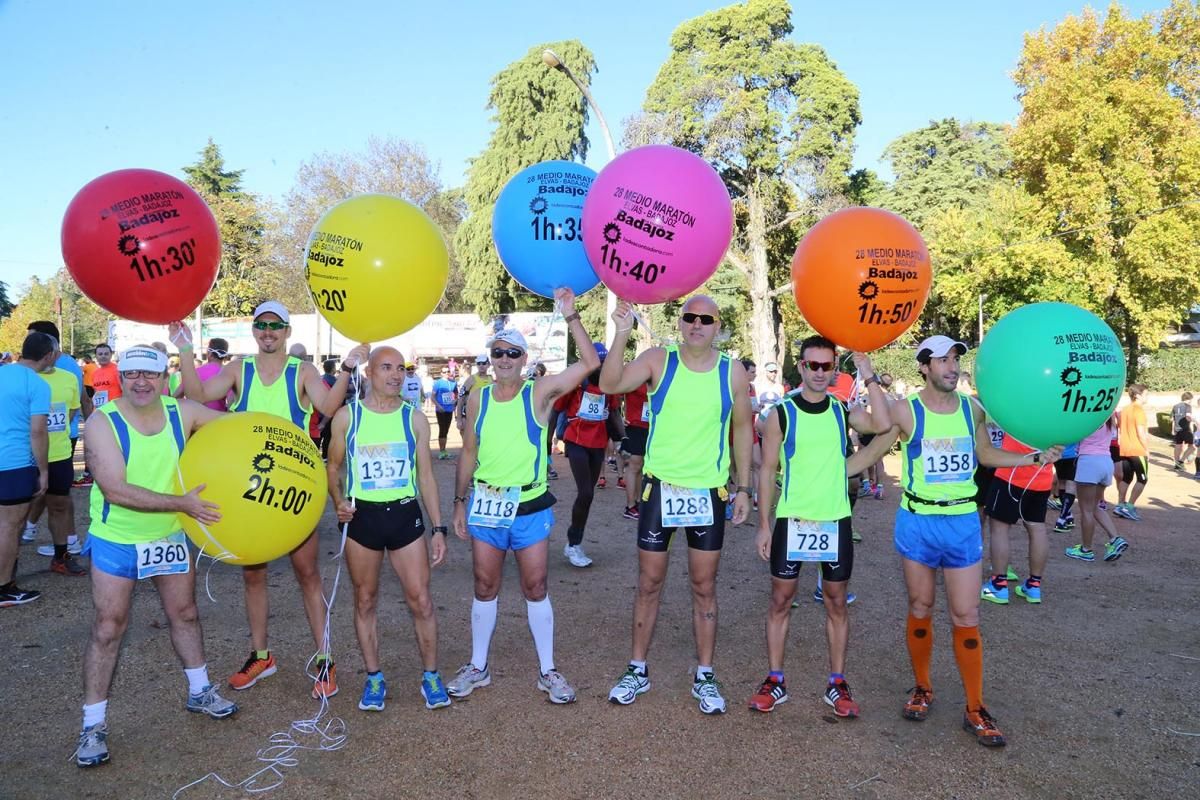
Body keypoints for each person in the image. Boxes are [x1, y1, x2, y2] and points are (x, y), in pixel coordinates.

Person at [173, 302, 369, 699]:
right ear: (254, 330)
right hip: (246, 490)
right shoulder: (238, 369)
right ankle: (261, 655)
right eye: (261, 325)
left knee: (308, 575)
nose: (268, 332)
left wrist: (347, 368)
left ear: (286, 331)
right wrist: (184, 349)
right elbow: (196, 394)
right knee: (253, 575)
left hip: (291, 489)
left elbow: (327, 408)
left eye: (275, 326)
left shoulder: (302, 371)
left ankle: (325, 660)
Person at [889, 335, 1062, 748]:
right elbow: (871, 429)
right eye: (943, 360)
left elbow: (985, 455)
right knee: (920, 606)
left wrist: (1034, 457)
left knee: (966, 615)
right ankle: (923, 687)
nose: (952, 367)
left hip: (962, 520)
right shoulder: (906, 409)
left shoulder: (972, 409)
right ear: (924, 367)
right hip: (917, 519)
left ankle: (974, 706)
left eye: (956, 360)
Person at [73, 345, 237, 768]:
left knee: (184, 613)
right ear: (120, 378)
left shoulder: (182, 411)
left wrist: (287, 439)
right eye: (132, 375)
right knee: (109, 627)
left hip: (168, 533)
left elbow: (240, 428)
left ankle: (200, 691)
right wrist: (183, 504)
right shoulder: (101, 422)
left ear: (166, 377)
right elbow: (116, 490)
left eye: (151, 374)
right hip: (119, 537)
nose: (142, 382)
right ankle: (92, 725)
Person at [600, 296, 753, 715]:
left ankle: (705, 674)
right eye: (690, 317)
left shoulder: (732, 371)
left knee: (704, 587)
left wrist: (743, 488)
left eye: (706, 319)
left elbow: (743, 429)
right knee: (649, 583)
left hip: (707, 492)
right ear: (680, 322)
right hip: (660, 490)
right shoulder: (657, 360)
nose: (697, 324)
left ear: (718, 326)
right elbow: (611, 383)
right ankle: (637, 669)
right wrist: (621, 332)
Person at [447, 288, 598, 705]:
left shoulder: (539, 392)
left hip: (529, 506)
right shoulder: (478, 396)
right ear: (490, 357)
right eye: (497, 352)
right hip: (486, 505)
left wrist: (571, 317)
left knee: (535, 585)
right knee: (484, 584)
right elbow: (470, 452)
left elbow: (590, 364)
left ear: (524, 359)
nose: (504, 360)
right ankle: (478, 666)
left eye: (512, 353)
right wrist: (459, 502)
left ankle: (548, 670)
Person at [748, 336, 893, 717]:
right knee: (780, 600)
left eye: (826, 367)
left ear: (834, 371)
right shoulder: (781, 412)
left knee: (835, 602)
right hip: (792, 519)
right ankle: (775, 680)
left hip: (834, 520)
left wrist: (869, 374)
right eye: (812, 365)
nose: (818, 373)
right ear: (800, 366)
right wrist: (764, 524)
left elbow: (882, 423)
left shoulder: (841, 410)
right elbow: (766, 470)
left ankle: (837, 682)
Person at [326, 346, 451, 712]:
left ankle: (430, 676)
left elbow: (426, 476)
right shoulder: (348, 417)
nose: (396, 375)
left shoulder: (414, 419)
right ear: (369, 371)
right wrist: (338, 501)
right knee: (365, 600)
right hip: (363, 518)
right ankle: (374, 678)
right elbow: (333, 468)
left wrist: (438, 527)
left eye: (401, 368)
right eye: (386, 367)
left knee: (421, 600)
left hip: (404, 516)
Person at [0, 333, 56, 607]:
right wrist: (43, 471)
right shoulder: (37, 384)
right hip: (14, 463)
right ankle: (3, 588)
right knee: (9, 527)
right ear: (48, 356)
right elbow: (38, 432)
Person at [554, 343, 621, 568]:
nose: (600, 367)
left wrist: (622, 439)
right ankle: (573, 544)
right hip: (576, 442)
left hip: (597, 444)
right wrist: (545, 444)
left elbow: (613, 414)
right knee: (584, 492)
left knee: (588, 494)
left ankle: (575, 542)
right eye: (597, 363)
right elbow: (556, 409)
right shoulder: (576, 385)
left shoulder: (609, 387)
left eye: (603, 363)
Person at [25, 333, 86, 575]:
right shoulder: (23, 378)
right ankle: (9, 562)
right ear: (51, 354)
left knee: (59, 505)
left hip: (59, 454)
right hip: (25, 455)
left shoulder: (69, 378)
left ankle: (61, 556)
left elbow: (71, 412)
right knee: (17, 510)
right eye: (56, 351)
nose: (59, 355)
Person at [980, 431, 1053, 605]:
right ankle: (1034, 586)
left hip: (1011, 472)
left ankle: (998, 586)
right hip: (1043, 475)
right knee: (1037, 528)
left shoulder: (1023, 404)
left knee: (999, 528)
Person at [1065, 416, 1129, 563]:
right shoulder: (1108, 417)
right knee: (1094, 507)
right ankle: (1115, 538)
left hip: (1089, 461)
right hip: (1106, 461)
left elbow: (1072, 435)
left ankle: (1086, 550)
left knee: (1086, 510)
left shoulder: (1087, 418)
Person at [1113, 385, 1149, 521]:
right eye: (1145, 394)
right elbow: (1141, 433)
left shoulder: (1125, 410)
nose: (1147, 397)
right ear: (1138, 395)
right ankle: (1129, 506)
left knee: (1126, 478)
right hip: (1137, 449)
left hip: (1125, 448)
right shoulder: (1138, 410)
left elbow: (1121, 427)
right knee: (1143, 479)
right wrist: (1146, 449)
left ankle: (1120, 504)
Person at [619, 380, 651, 521]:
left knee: (641, 467)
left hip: (651, 426)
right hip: (635, 425)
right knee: (634, 465)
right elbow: (615, 393)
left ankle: (637, 502)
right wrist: (620, 417)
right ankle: (630, 506)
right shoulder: (636, 377)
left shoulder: (658, 376)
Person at [456, 355, 492, 432]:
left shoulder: (491, 379)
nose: (481, 365)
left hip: (487, 416)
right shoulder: (472, 379)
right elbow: (461, 398)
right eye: (479, 363)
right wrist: (459, 419)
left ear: (488, 365)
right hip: (472, 416)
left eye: (483, 363)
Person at [431, 366, 458, 460]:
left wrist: (455, 401)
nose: (446, 373)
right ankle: (442, 451)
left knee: (446, 430)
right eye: (444, 372)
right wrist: (439, 406)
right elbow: (432, 397)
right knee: (442, 430)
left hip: (449, 410)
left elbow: (457, 394)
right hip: (441, 410)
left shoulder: (453, 382)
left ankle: (444, 450)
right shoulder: (437, 383)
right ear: (441, 373)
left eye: (448, 371)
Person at [1171, 392, 1194, 470]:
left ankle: (1177, 464)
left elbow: (1172, 419)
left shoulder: (1175, 406)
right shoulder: (1188, 406)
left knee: (1178, 446)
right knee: (1193, 447)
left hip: (1177, 430)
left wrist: (1172, 429)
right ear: (1189, 399)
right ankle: (1181, 461)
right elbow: (1188, 417)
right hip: (1185, 429)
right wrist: (1194, 420)